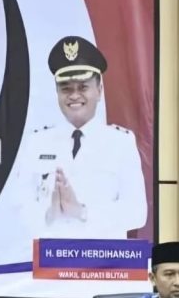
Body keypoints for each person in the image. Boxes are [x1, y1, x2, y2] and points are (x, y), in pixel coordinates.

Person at [27, 35, 147, 239]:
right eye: (66, 88)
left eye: (83, 87)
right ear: (57, 92)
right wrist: (50, 214)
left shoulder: (121, 143)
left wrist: (81, 212)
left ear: (99, 90)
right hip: (51, 257)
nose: (74, 95)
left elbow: (137, 213)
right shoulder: (37, 143)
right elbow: (19, 206)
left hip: (103, 259)